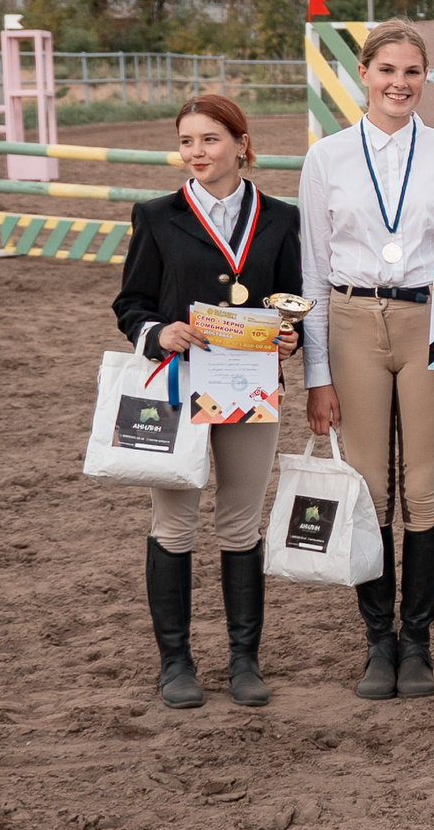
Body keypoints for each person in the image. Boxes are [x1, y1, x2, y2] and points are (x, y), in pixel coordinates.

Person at [298, 21, 434, 702]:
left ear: (426, 78)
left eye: (412, 71)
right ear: (364, 74)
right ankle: (376, 641)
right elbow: (314, 272)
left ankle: (418, 641)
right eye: (387, 69)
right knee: (368, 490)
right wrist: (317, 374)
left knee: (424, 487)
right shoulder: (325, 158)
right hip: (353, 319)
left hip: (428, 321)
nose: (399, 83)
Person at [113, 95, 305, 709]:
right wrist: (156, 332)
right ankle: (175, 663)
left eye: (211, 140)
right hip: (176, 382)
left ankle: (244, 659)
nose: (197, 152)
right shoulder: (156, 215)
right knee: (173, 525)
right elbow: (132, 303)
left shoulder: (281, 217)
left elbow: (290, 299)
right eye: (188, 141)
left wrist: (288, 331)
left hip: (248, 385)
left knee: (240, 523)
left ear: (241, 144)